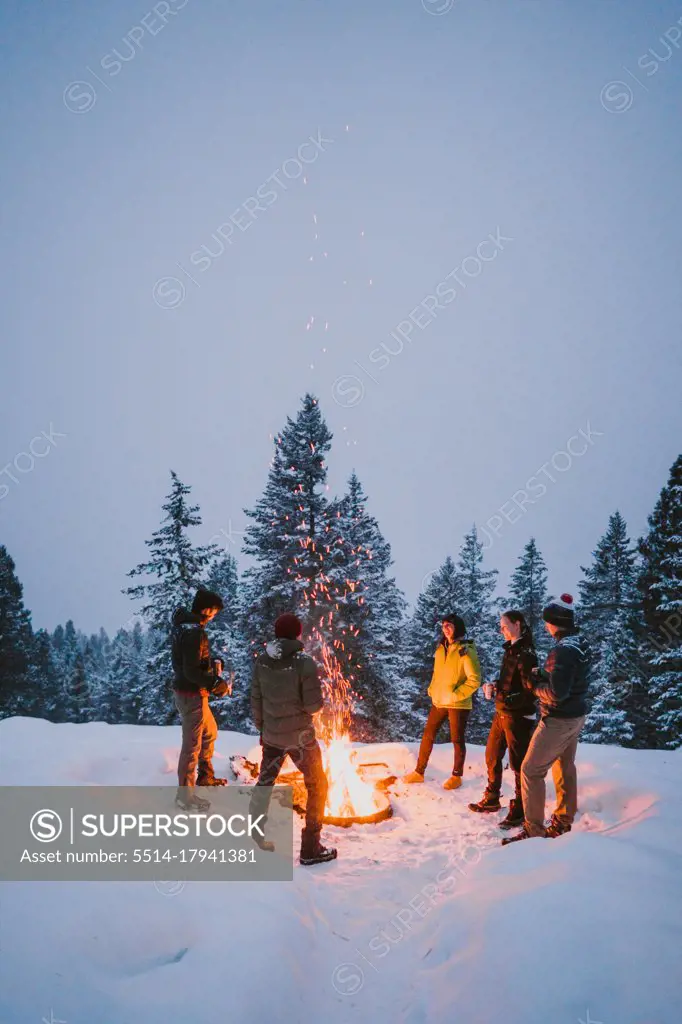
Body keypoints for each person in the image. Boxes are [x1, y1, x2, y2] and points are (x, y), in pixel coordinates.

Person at [250, 613, 337, 866]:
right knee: (317, 784)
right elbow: (313, 706)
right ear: (297, 634)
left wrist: (264, 729)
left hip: (272, 738)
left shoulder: (262, 661)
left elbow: (256, 700)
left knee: (264, 783)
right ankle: (311, 846)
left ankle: (255, 836)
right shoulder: (304, 662)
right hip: (301, 739)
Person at [502, 594, 590, 845]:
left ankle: (533, 831)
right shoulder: (580, 643)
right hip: (576, 716)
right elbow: (569, 676)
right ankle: (563, 821)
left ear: (555, 622)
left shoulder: (562, 650)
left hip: (558, 719)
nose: (545, 626)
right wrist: (544, 672)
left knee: (531, 770)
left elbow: (556, 692)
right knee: (564, 765)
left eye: (547, 622)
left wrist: (533, 684)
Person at [468, 610, 538, 829]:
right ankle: (491, 798)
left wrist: (506, 698)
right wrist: (496, 687)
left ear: (517, 624)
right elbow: (511, 681)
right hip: (502, 713)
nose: (501, 630)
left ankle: (520, 808)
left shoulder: (526, 653)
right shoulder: (511, 649)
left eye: (505, 626)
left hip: (517, 716)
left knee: (518, 764)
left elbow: (529, 690)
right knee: (491, 755)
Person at [403, 614, 481, 790]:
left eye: (449, 625)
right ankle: (419, 772)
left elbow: (474, 680)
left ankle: (456, 776)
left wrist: (456, 695)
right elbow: (436, 674)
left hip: (458, 704)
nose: (445, 628)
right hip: (439, 701)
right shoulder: (440, 649)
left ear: (458, 628)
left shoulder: (465, 650)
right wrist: (432, 689)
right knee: (428, 735)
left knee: (457, 740)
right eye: (443, 625)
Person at [171, 588, 232, 810]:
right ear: (207, 610)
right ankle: (184, 797)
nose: (215, 615)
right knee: (191, 746)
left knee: (210, 732)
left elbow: (189, 660)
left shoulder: (185, 627)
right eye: (214, 611)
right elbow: (191, 671)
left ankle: (205, 774)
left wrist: (209, 662)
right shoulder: (194, 632)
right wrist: (216, 683)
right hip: (192, 695)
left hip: (191, 692)